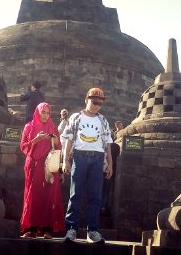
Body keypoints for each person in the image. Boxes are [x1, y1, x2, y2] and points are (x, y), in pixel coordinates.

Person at [62, 88, 113, 244]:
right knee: (75, 194)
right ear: (86, 100)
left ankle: (93, 231)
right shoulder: (76, 117)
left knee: (95, 196)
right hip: (79, 156)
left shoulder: (103, 120)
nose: (97, 105)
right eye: (94, 101)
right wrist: (65, 160)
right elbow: (69, 139)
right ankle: (72, 229)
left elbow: (107, 144)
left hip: (98, 159)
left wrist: (110, 163)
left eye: (99, 102)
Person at [19, 103, 65, 239]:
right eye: (43, 112)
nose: (45, 115)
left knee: (49, 196)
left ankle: (47, 229)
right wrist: (36, 140)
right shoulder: (29, 127)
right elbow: (23, 146)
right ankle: (31, 228)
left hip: (49, 166)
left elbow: (59, 147)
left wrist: (56, 141)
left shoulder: (53, 128)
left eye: (47, 113)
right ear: (37, 113)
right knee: (33, 195)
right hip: (34, 166)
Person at [101, 120, 123, 216]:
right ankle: (102, 207)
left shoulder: (112, 147)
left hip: (106, 170)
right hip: (104, 170)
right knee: (104, 190)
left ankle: (102, 207)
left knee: (104, 189)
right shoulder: (113, 146)